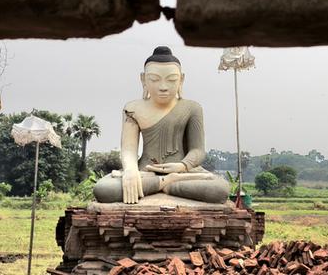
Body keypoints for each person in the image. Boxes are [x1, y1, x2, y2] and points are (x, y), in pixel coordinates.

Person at [92, 46, 230, 204]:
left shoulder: (192, 108)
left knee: (220, 190)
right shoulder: (132, 108)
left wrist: (182, 166)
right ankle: (166, 183)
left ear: (181, 80)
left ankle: (158, 185)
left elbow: (197, 150)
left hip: (183, 173)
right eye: (154, 79)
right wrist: (130, 171)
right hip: (145, 172)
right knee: (103, 189)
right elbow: (129, 149)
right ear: (143, 79)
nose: (163, 86)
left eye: (171, 80)